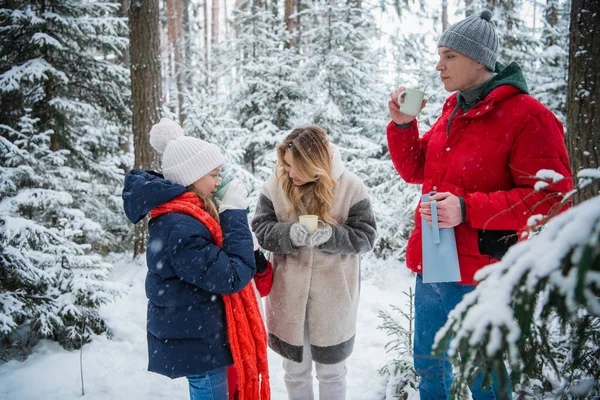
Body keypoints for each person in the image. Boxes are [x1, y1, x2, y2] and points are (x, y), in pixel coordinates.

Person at [386, 9, 573, 400]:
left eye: (449, 56)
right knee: (430, 365)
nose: (438, 67)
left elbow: (553, 197)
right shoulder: (453, 108)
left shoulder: (528, 116)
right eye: (439, 56)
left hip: (481, 272)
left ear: (479, 60)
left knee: (484, 376)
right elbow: (416, 169)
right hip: (434, 264)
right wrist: (404, 125)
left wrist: (468, 208)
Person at [122, 118, 270, 400]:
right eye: (214, 174)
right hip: (201, 342)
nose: (218, 182)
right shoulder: (181, 225)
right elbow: (232, 276)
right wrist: (234, 215)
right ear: (192, 176)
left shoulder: (188, 215)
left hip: (201, 336)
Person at [252, 126, 377, 400]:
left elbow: (367, 236)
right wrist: (289, 234)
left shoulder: (351, 186)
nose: (287, 171)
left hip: (334, 297)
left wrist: (332, 235)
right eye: (284, 164)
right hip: (288, 295)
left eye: (294, 166)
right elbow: (261, 228)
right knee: (294, 372)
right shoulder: (276, 183)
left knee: (332, 373)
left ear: (313, 163)